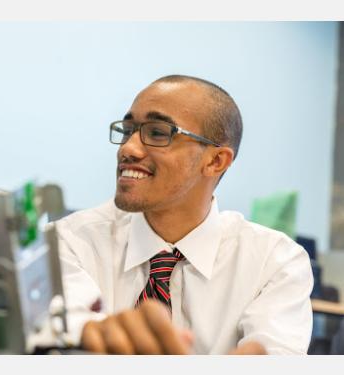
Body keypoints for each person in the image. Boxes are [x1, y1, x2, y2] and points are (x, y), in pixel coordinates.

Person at [54, 75, 313, 354]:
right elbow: (67, 335)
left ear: (215, 161)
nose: (127, 148)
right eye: (128, 130)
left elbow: (273, 355)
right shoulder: (69, 241)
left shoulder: (275, 263)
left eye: (157, 133)